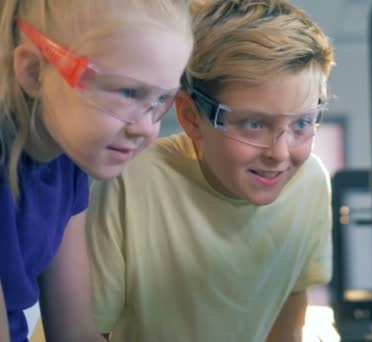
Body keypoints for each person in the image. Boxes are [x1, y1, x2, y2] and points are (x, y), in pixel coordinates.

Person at [86, 0, 336, 340]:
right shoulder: (130, 183)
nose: (279, 153)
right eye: (252, 124)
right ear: (191, 118)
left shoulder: (309, 183)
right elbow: (85, 329)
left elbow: (291, 296)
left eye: (303, 123)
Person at [0, 0, 193, 341]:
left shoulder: (67, 158)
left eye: (160, 100)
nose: (146, 129)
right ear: (33, 71)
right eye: (127, 93)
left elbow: (74, 332)